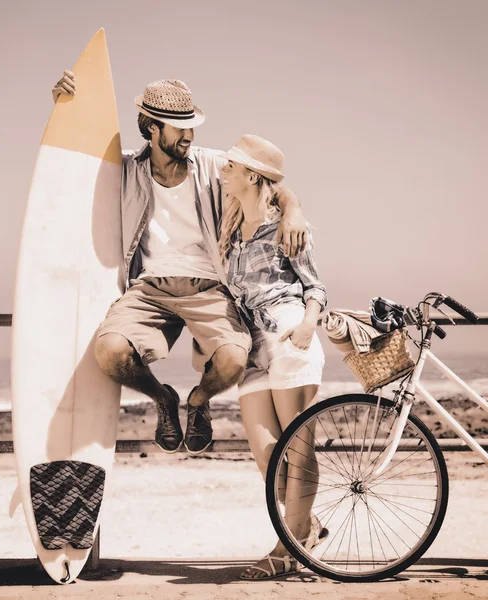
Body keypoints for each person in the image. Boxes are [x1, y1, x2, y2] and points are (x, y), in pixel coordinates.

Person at [52, 73, 308, 455]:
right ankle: (164, 399)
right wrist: (65, 107)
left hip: (209, 287)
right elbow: (74, 159)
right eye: (180, 128)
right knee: (110, 352)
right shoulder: (124, 170)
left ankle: (199, 401)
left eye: (192, 126)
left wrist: (293, 211)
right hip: (149, 289)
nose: (189, 136)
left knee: (234, 360)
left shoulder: (212, 165)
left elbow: (266, 177)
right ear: (152, 129)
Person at [218, 134, 327, 579]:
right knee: (267, 458)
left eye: (231, 166)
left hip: (287, 338)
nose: (223, 170)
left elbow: (315, 285)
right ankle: (308, 526)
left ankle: (288, 549)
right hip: (252, 350)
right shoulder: (229, 228)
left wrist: (307, 325)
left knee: (298, 452)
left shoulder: (285, 226)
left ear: (251, 176)